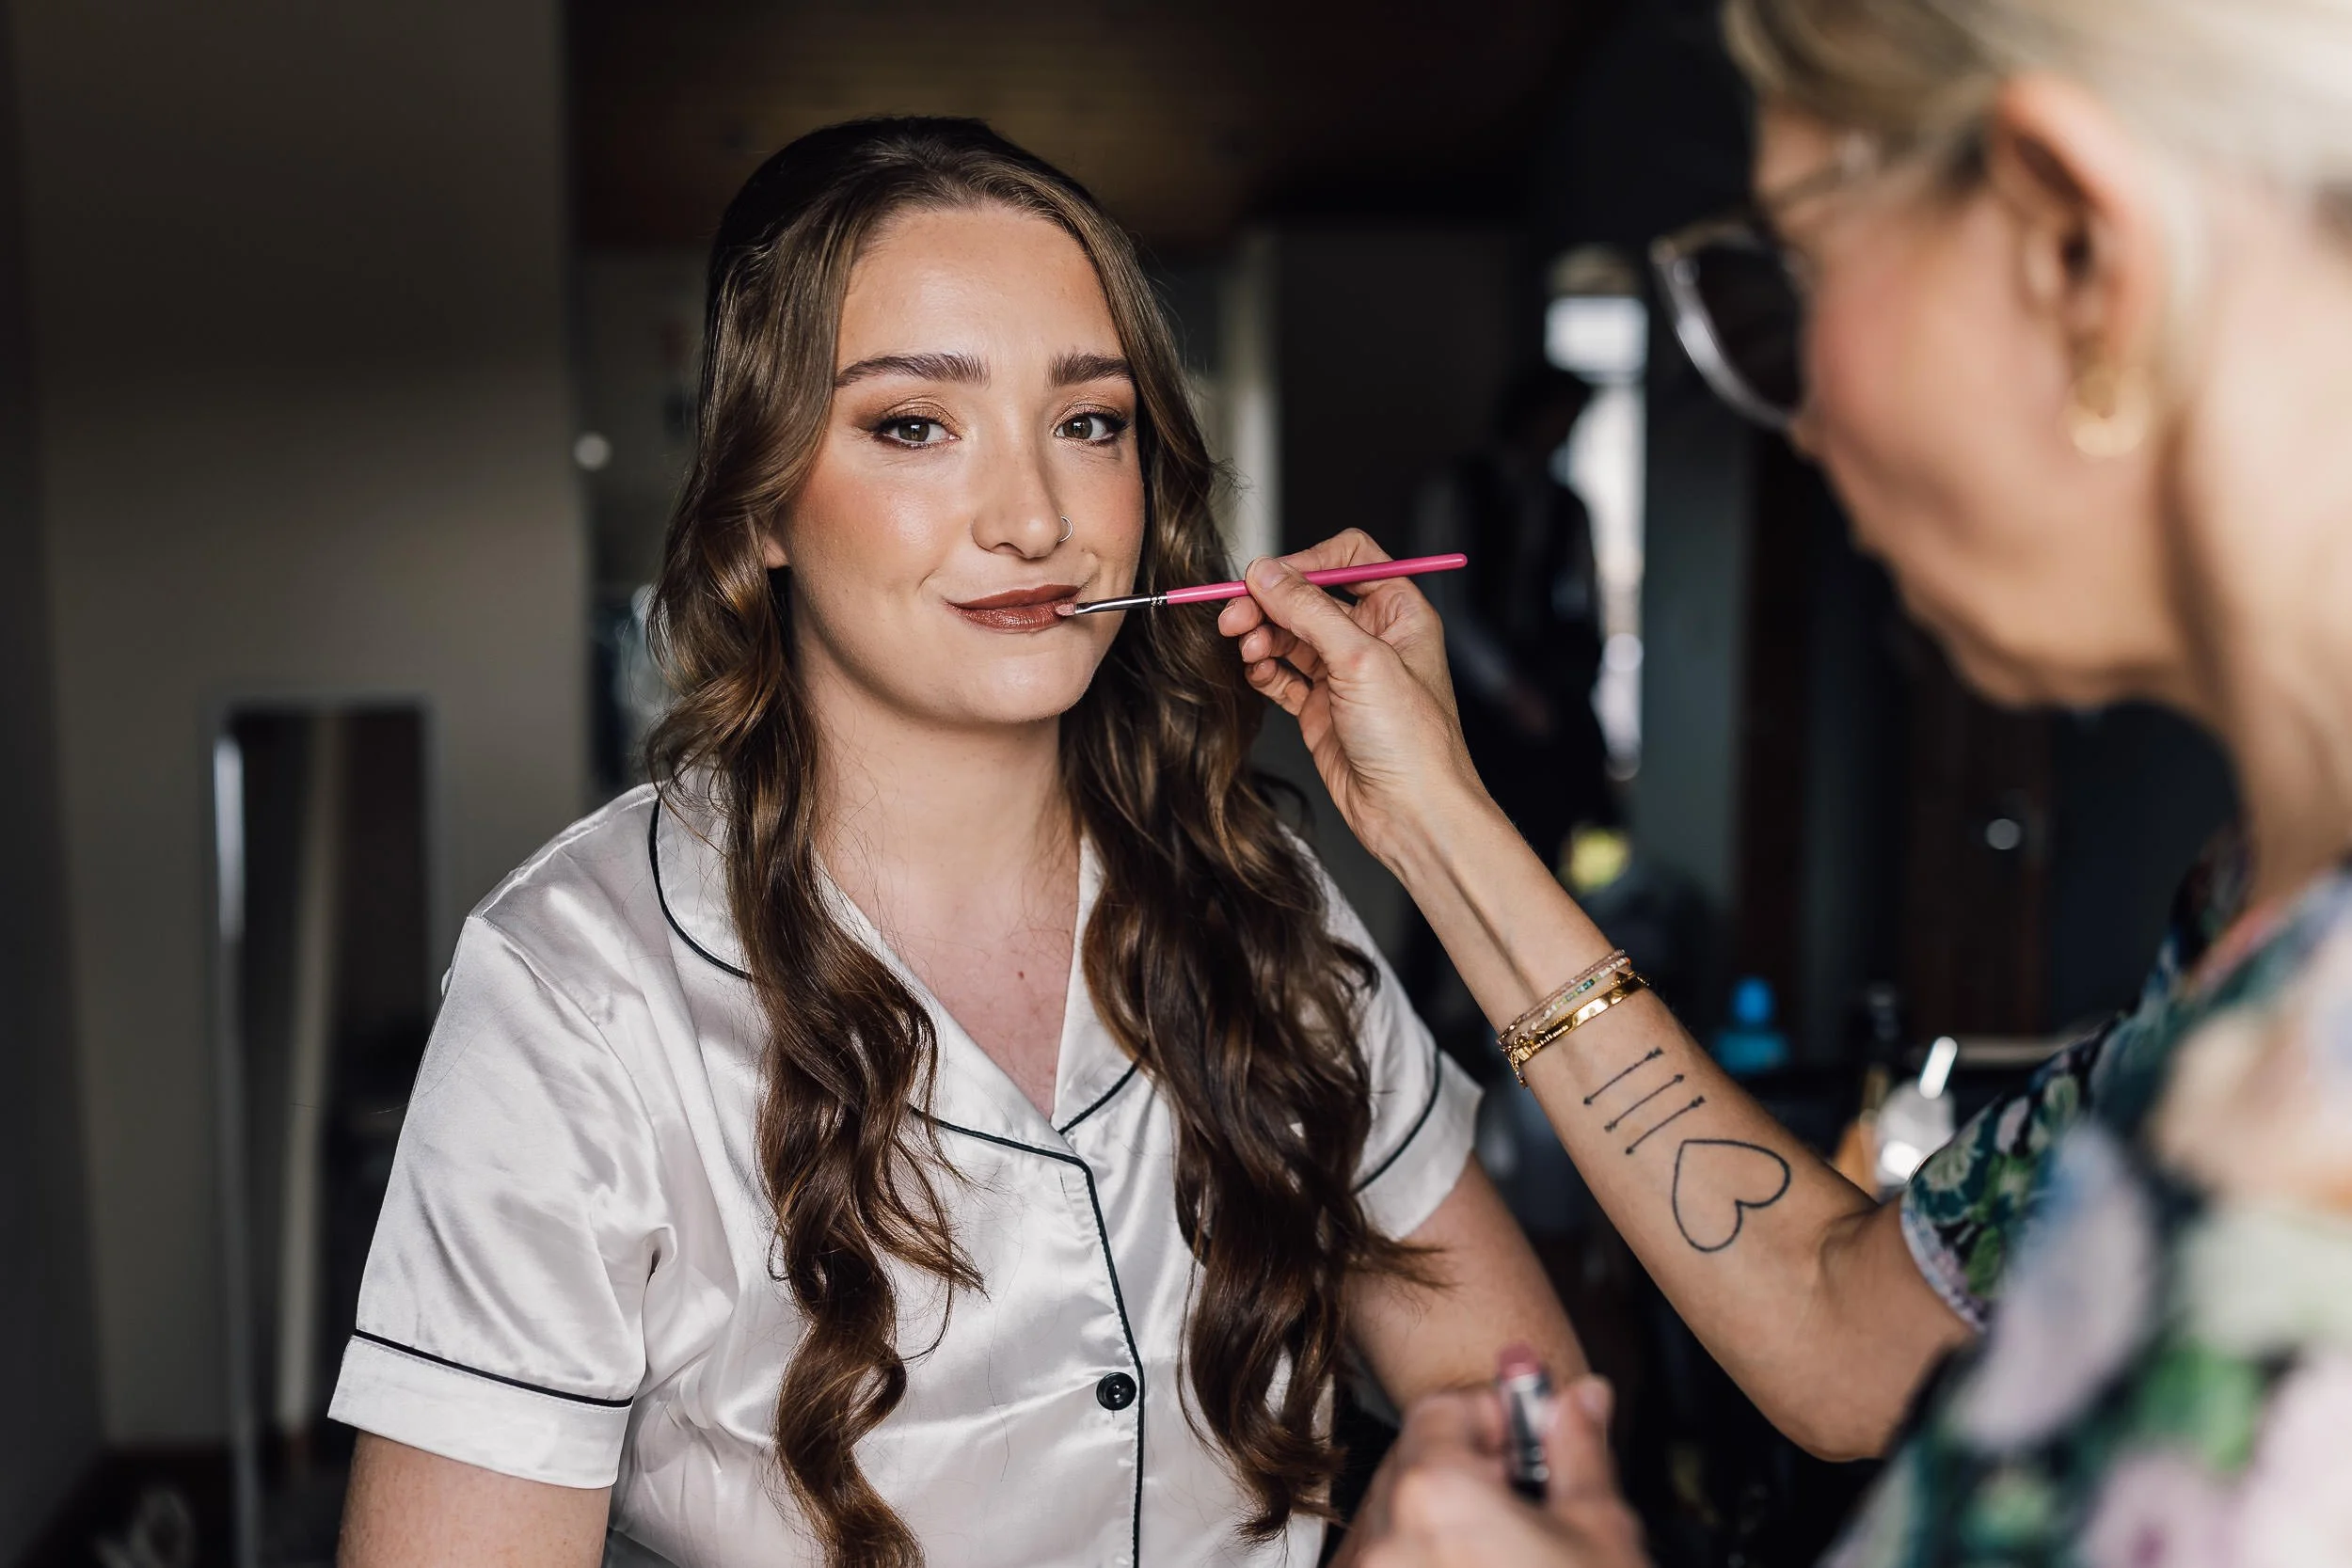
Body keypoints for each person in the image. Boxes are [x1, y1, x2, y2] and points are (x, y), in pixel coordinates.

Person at [328, 119, 1580, 1568]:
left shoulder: (1259, 892)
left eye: (1088, 422)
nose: (1035, 516)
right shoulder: (574, 988)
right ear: (761, 492)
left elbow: (1521, 1401)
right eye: (914, 424)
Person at [1216, 0, 2352, 1559]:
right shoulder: (2250, 928)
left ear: (2079, 250)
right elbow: (1847, 1329)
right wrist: (1428, 812)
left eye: (1787, 282)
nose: (1793, 420)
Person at [1410, 364, 1613, 868]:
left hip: (1546, 682)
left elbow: (1586, 601)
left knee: (1545, 838)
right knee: (1457, 845)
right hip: (1469, 690)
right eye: (1560, 418)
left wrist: (1575, 676)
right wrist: (1506, 687)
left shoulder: (1569, 506)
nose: (1565, 433)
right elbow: (1442, 602)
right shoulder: (1457, 491)